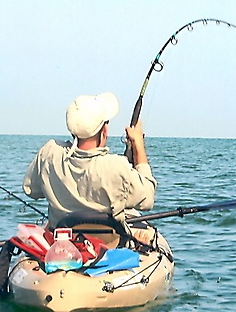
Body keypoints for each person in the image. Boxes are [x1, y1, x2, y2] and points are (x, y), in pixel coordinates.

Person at [22, 92, 157, 246]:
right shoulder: (116, 165)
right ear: (104, 130)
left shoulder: (49, 153)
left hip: (63, 246)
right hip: (110, 246)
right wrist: (138, 143)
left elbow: (31, 190)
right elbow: (147, 199)